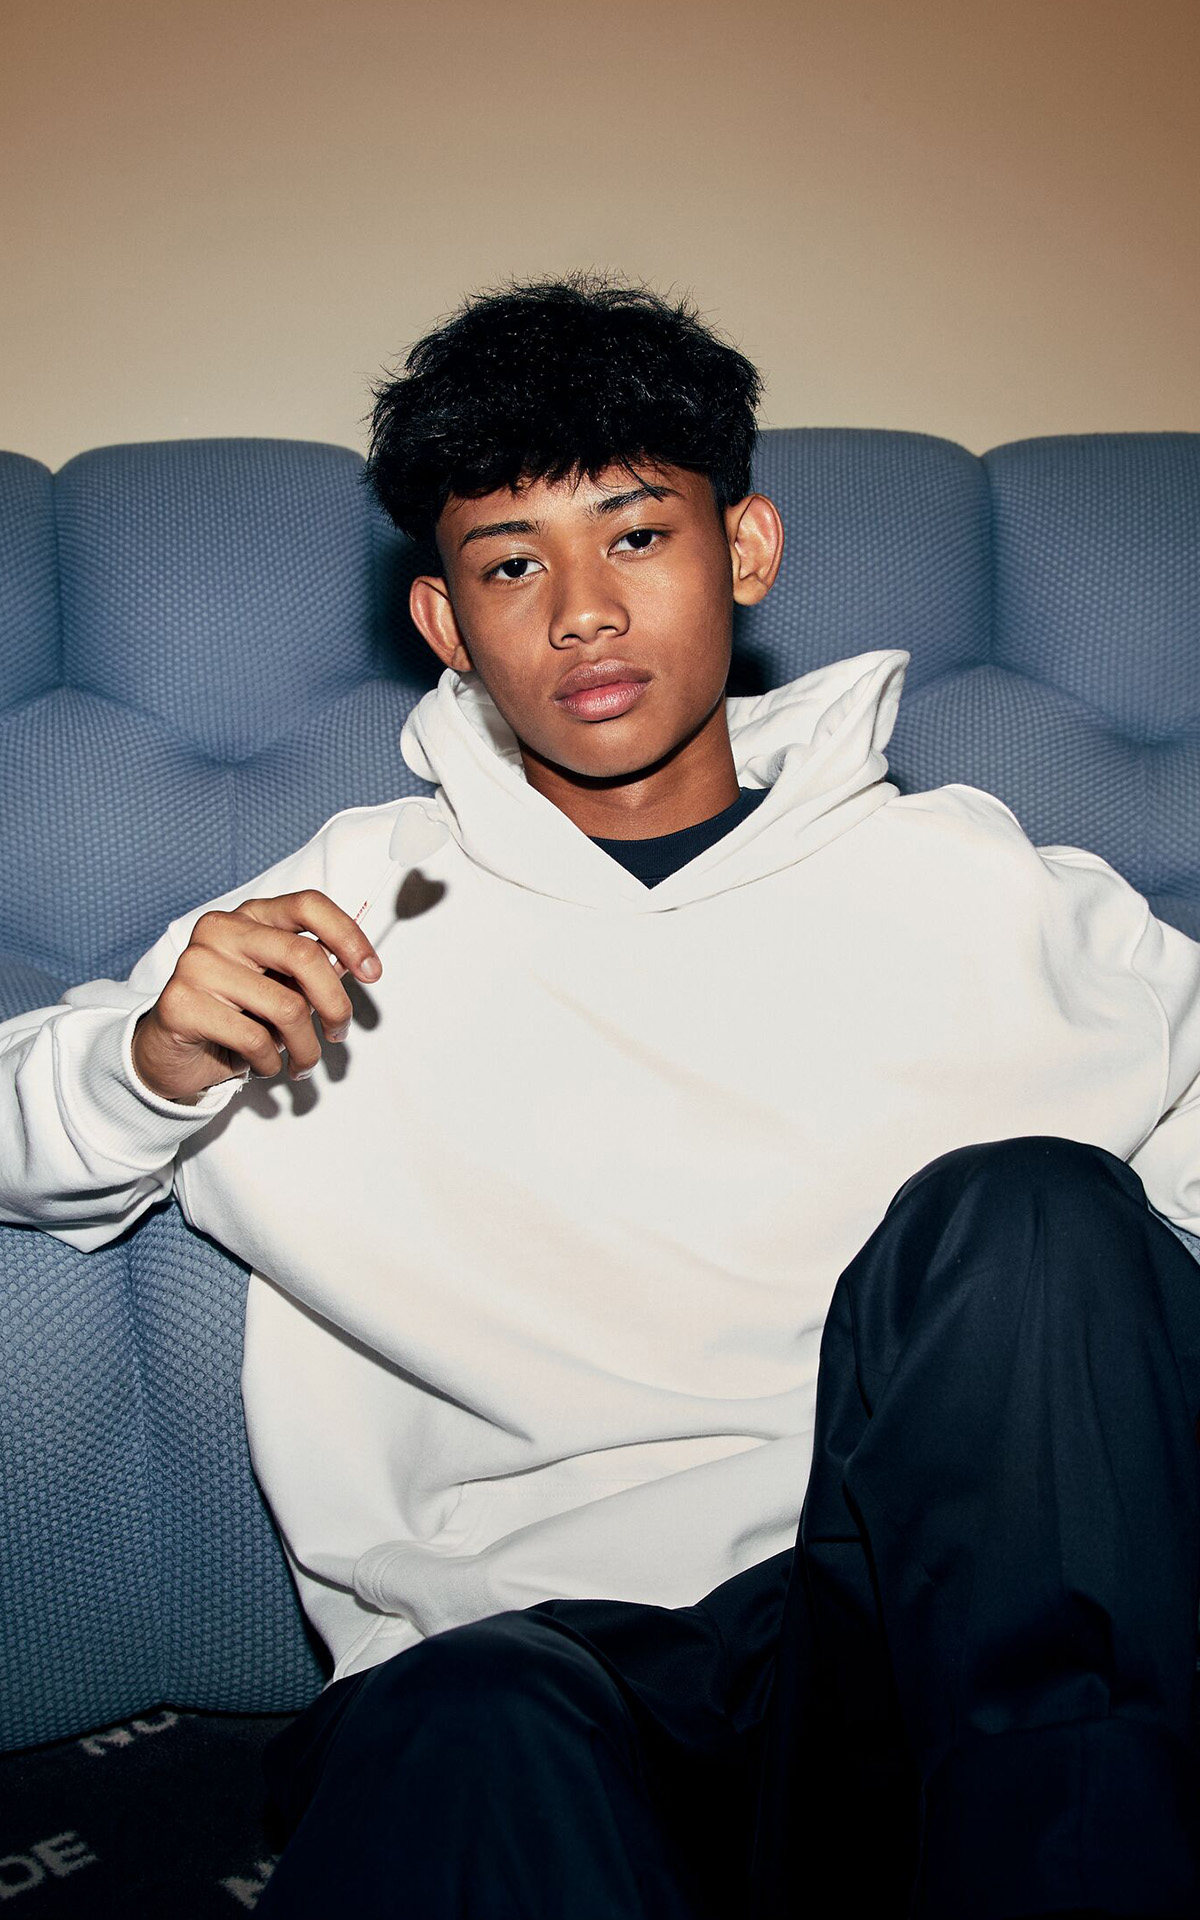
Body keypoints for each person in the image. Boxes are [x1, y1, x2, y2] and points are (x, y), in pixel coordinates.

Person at [2, 273, 1200, 1919]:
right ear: (445, 624)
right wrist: (145, 1063)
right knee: (466, 1721)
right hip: (524, 1680)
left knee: (1035, 1211)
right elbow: (29, 1124)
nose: (580, 613)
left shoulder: (987, 887)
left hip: (919, 1675)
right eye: (512, 564)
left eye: (636, 536)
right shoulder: (349, 904)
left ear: (745, 551)